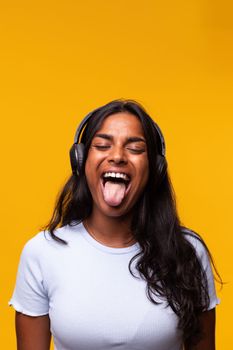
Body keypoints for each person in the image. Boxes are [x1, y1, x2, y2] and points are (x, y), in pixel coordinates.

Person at [9, 99, 221, 350]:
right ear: (81, 161)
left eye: (135, 148)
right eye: (102, 145)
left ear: (156, 168)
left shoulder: (188, 252)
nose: (117, 156)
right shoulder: (42, 253)